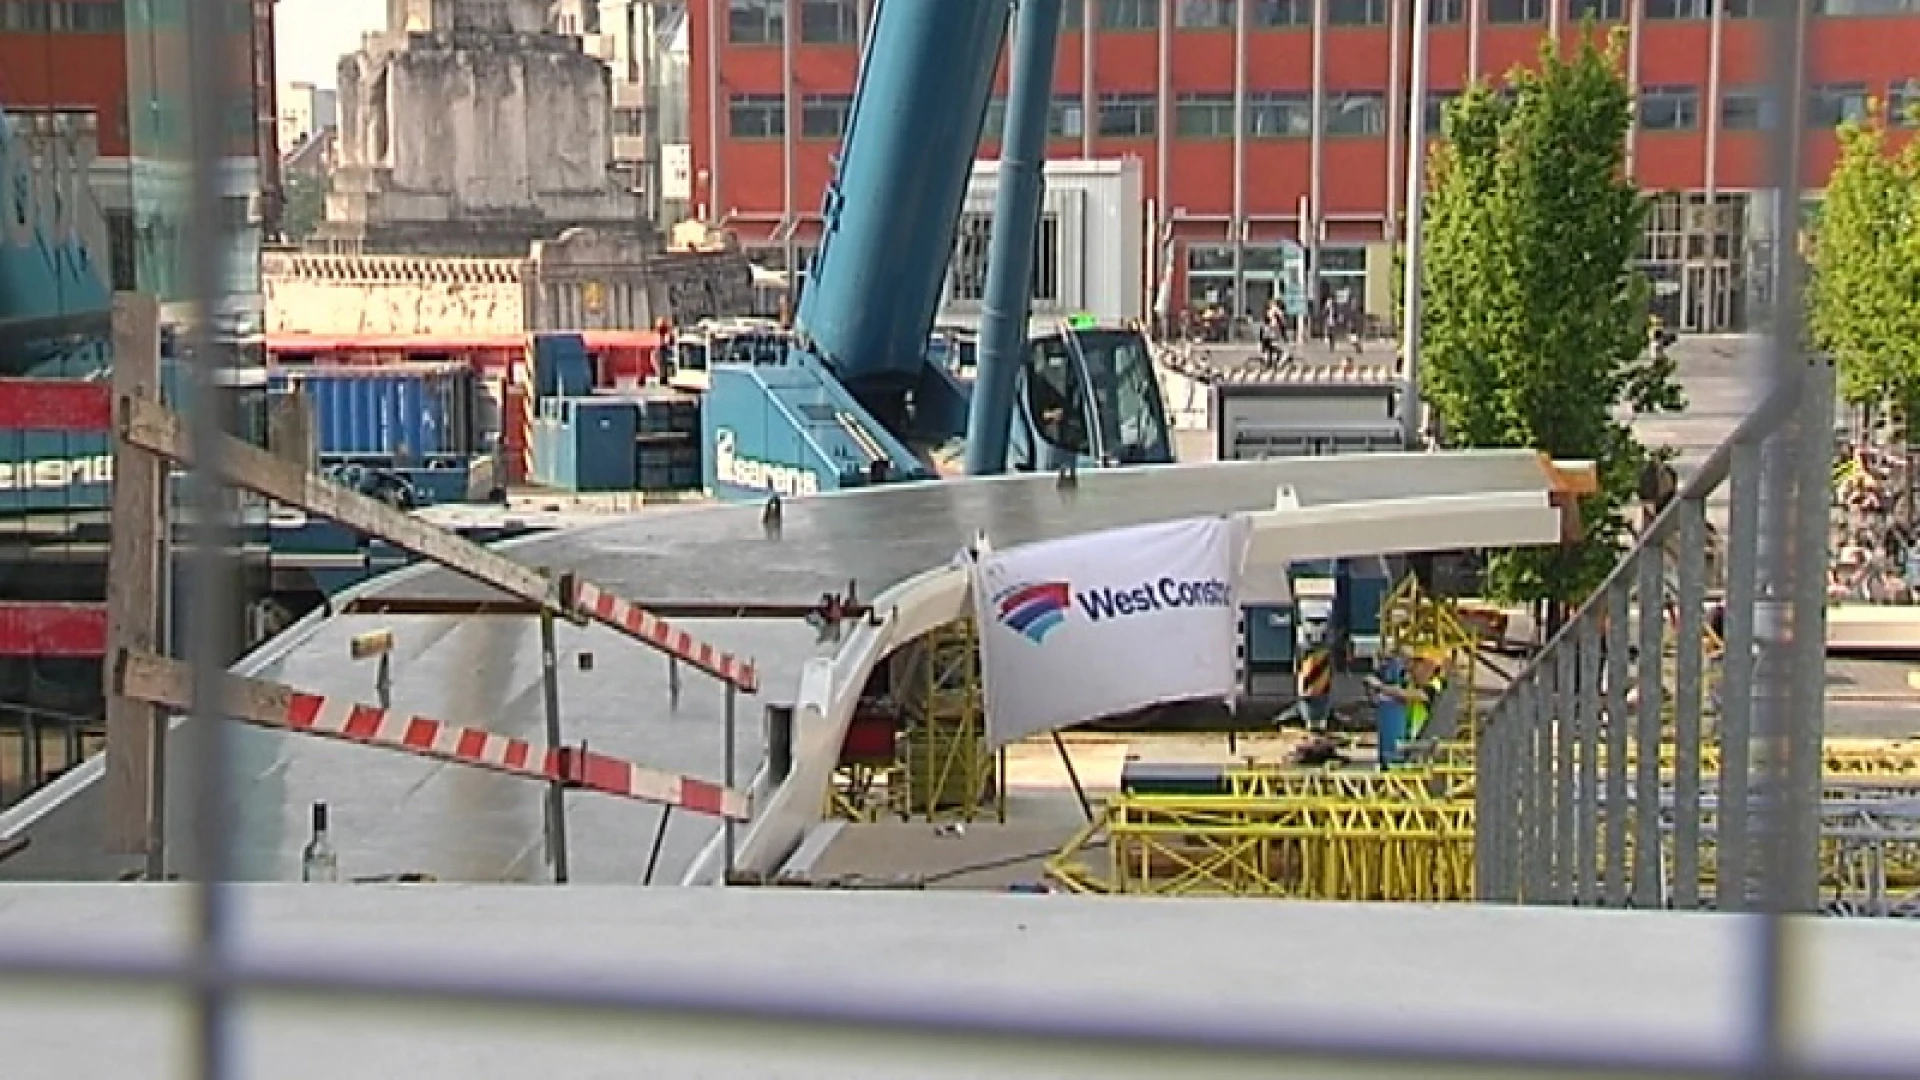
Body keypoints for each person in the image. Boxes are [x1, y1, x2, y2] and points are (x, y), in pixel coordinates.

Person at [1364, 646, 1449, 768]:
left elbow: (1412, 695)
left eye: (1416, 665)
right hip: (1408, 746)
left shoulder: (1436, 686)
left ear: (1429, 667)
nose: (1412, 670)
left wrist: (1380, 687)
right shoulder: (1412, 683)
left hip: (1423, 746)